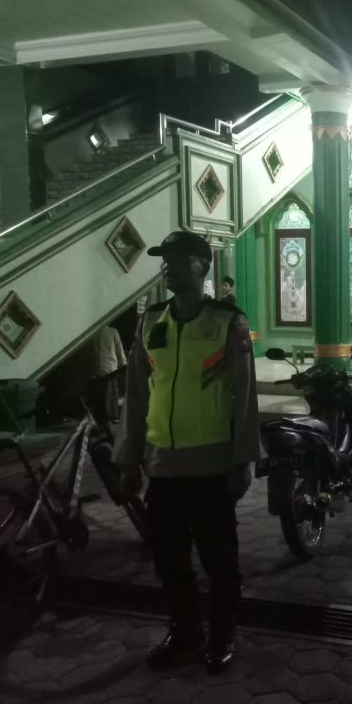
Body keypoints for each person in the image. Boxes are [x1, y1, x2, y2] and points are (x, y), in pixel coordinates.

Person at [113, 230, 261, 674]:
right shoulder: (152, 321)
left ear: (204, 266)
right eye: (166, 261)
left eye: (179, 260)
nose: (169, 268)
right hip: (162, 465)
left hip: (211, 464)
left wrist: (243, 458)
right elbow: (136, 393)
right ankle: (185, 629)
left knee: (220, 559)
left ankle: (222, 632)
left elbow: (245, 395)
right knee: (169, 558)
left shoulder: (228, 321)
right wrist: (128, 457)